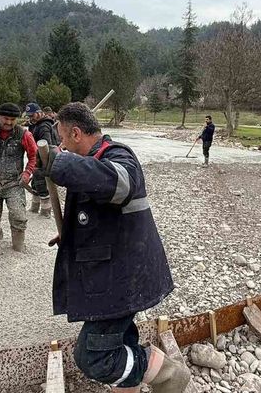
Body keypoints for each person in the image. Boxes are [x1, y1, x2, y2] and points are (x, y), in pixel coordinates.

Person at [36, 102, 190, 393]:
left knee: (92, 356)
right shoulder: (92, 161)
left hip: (121, 278)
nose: (62, 145)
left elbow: (119, 186)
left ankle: (170, 376)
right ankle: (131, 387)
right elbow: (100, 217)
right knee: (120, 342)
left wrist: (60, 163)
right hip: (116, 272)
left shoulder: (118, 156)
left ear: (77, 133)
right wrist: (69, 236)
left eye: (63, 139)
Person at [0, 102, 37, 251]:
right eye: (5, 118)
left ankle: (18, 247)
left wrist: (27, 173)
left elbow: (34, 156)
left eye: (12, 120)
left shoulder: (24, 135)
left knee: (19, 217)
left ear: (17, 120)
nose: (8, 122)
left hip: (14, 183)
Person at [25, 102, 59, 217]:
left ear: (39, 112)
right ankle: (34, 208)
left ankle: (45, 211)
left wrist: (38, 162)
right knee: (35, 184)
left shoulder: (44, 126)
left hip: (44, 159)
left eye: (32, 115)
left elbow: (46, 145)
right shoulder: (34, 125)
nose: (31, 118)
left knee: (41, 184)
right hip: (36, 158)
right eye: (29, 116)